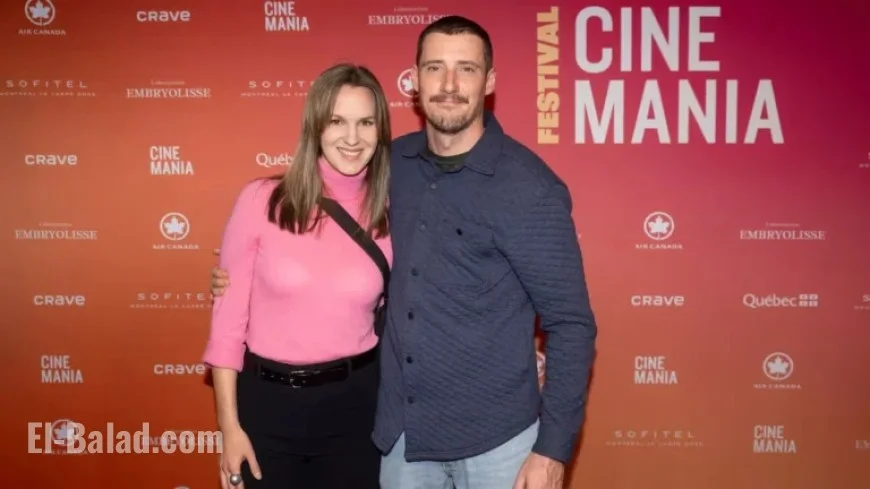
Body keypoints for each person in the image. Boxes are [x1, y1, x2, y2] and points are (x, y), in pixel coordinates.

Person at [210, 16, 597, 489]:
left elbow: (571, 324)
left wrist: (552, 451)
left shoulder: (528, 188)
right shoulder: (391, 170)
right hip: (402, 443)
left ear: (490, 81)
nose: (449, 85)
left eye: (466, 69)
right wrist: (237, 276)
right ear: (414, 81)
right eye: (435, 68)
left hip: (499, 446)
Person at [202, 62, 393, 489]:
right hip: (266, 407)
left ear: (381, 131)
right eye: (337, 121)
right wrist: (229, 429)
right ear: (315, 127)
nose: (352, 137)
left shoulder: (392, 212)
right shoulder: (260, 200)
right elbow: (227, 327)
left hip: (356, 408)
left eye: (366, 122)